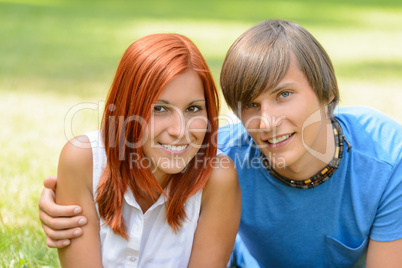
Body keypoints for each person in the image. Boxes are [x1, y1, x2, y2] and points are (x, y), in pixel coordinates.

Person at [39, 20, 402, 267]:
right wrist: (59, 204)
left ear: (326, 92)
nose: (268, 121)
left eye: (285, 94)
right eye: (251, 105)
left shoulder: (387, 158)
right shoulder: (215, 156)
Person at [49, 33, 241, 267]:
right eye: (160, 108)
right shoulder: (82, 160)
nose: (179, 130)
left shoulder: (217, 178)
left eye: (193, 109)